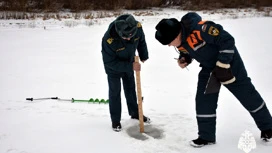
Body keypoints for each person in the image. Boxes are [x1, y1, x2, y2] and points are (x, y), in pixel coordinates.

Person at [155, 12, 272, 147]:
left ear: (177, 34)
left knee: (247, 96)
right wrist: (185, 58)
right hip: (208, 67)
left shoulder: (202, 29)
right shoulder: (181, 39)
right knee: (203, 100)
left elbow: (228, 40)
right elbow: (188, 49)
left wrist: (223, 65)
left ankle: (268, 127)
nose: (170, 45)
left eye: (169, 42)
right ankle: (206, 137)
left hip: (230, 64)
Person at [101, 14, 150, 132]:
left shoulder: (137, 27)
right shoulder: (108, 40)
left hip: (129, 63)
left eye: (130, 36)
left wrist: (143, 55)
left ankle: (135, 113)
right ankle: (115, 120)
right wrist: (130, 66)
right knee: (115, 93)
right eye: (125, 37)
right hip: (113, 69)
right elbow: (109, 62)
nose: (128, 39)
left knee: (131, 90)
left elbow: (141, 40)